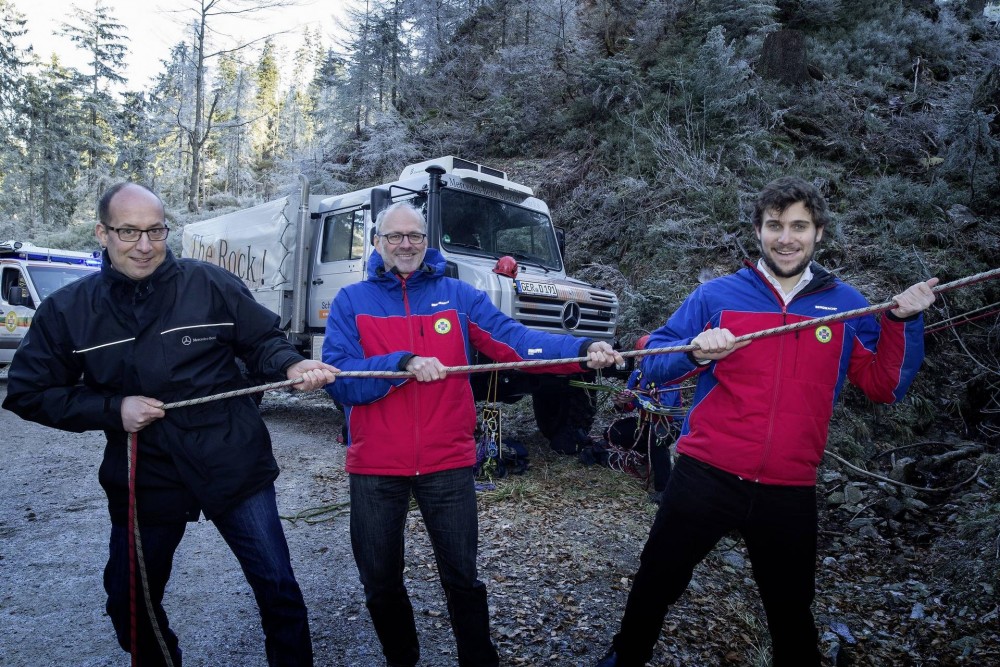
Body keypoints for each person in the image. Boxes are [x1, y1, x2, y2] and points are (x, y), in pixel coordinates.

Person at [596, 176, 939, 667]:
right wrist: (696, 351)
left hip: (789, 485)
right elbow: (653, 360)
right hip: (706, 473)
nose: (786, 237)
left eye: (799, 226)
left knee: (790, 612)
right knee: (657, 580)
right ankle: (624, 657)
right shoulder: (716, 296)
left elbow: (887, 386)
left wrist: (903, 322)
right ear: (758, 230)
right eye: (775, 225)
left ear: (818, 232)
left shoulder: (847, 306)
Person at [2, 183, 338, 667]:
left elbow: (262, 340)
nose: (144, 245)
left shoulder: (210, 284)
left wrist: (290, 365)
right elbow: (29, 392)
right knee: (129, 602)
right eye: (129, 232)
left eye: (155, 231)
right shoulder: (68, 310)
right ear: (102, 232)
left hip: (231, 460)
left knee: (278, 587)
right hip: (145, 472)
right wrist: (112, 409)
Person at [322, 201, 624, 667]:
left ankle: (479, 660)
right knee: (380, 582)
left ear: (427, 242)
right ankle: (402, 659)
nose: (406, 244)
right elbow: (340, 378)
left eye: (415, 236)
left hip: (448, 462)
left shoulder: (458, 296)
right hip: (376, 465)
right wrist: (400, 363)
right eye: (395, 236)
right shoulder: (350, 302)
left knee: (462, 576)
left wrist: (583, 349)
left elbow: (516, 341)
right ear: (378, 243)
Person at [599, 335, 682, 502]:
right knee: (612, 432)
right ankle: (646, 454)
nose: (643, 359)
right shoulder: (637, 375)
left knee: (656, 440)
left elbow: (662, 409)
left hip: (668, 425)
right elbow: (629, 405)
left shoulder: (669, 376)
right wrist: (621, 402)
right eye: (641, 355)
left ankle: (663, 489)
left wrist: (635, 399)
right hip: (644, 423)